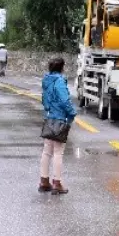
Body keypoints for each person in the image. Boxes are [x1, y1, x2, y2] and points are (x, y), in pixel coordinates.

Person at [39, 56, 76, 195]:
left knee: (46, 151)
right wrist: (72, 114)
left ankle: (44, 181)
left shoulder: (47, 81)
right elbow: (65, 101)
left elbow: (44, 99)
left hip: (49, 117)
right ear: (62, 67)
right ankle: (57, 183)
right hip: (60, 118)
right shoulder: (59, 81)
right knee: (58, 153)